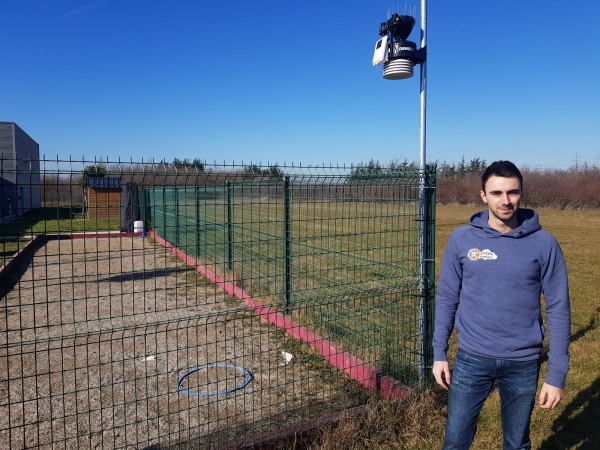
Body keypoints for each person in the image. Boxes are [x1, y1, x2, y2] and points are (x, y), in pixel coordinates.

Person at [432, 160, 571, 450]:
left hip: (523, 362)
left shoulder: (544, 243)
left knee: (517, 444)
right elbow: (446, 296)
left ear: (521, 193)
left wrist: (556, 374)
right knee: (455, 442)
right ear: (483, 195)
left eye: (512, 192)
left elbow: (558, 308)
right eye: (496, 193)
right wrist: (439, 353)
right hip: (471, 358)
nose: (505, 201)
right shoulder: (461, 239)